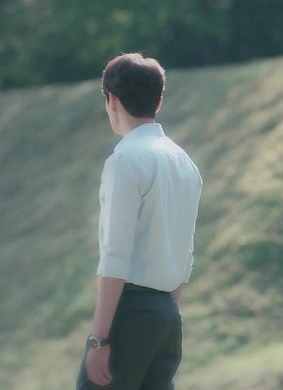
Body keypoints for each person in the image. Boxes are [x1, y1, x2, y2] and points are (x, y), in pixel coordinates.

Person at [77, 53, 203, 389]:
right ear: (158, 102)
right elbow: (184, 255)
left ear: (112, 100)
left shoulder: (124, 161)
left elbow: (115, 255)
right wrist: (163, 314)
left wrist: (100, 340)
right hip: (167, 315)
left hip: (130, 311)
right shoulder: (185, 163)